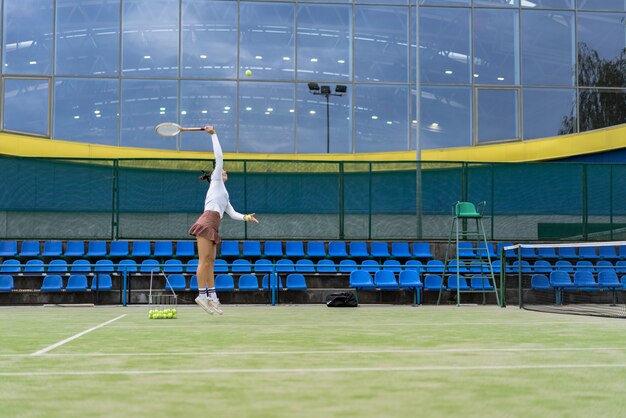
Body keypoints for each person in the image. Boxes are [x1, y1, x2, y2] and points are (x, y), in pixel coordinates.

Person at [188, 125, 258, 314]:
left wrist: (246, 217)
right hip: (204, 224)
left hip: (214, 226)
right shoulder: (216, 182)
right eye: (221, 171)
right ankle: (202, 296)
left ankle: (212, 297)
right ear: (215, 175)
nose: (224, 171)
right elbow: (219, 157)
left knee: (211, 262)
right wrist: (213, 135)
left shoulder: (224, 194)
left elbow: (233, 213)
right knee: (203, 261)